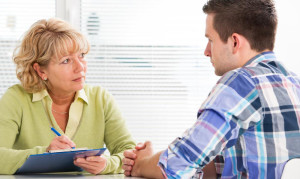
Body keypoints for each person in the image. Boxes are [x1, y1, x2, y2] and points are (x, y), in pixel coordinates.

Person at [122, 0, 300, 178]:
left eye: (211, 40)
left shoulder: (241, 83)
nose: (206, 51)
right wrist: (154, 159)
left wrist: (140, 165)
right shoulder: (294, 82)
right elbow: (231, 164)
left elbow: (176, 166)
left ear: (235, 42)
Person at [0, 18, 136, 175]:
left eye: (82, 55)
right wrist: (45, 153)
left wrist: (107, 164)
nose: (80, 67)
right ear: (41, 71)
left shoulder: (101, 99)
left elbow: (129, 153)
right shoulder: (16, 99)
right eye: (66, 61)